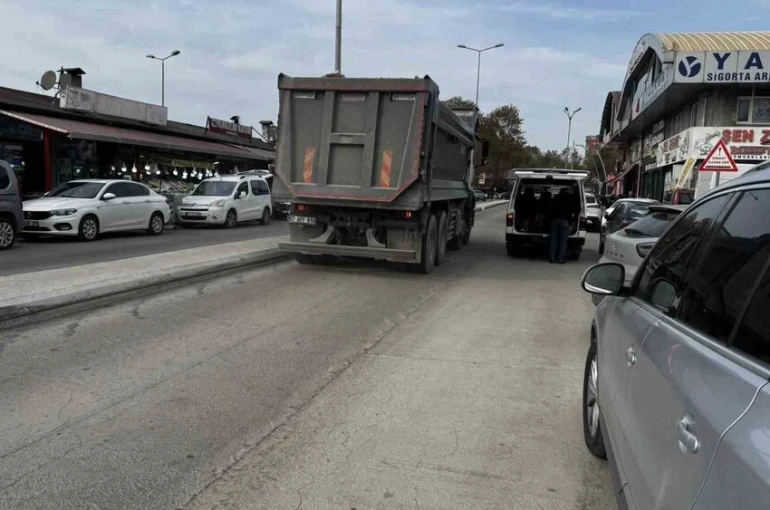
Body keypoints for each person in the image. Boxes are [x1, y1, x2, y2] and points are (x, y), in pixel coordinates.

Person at [549, 186, 580, 264]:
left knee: (554, 240)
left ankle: (552, 258)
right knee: (563, 241)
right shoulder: (570, 199)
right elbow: (577, 209)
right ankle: (561, 259)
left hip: (554, 220)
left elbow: (549, 208)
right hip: (565, 221)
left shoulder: (556, 198)